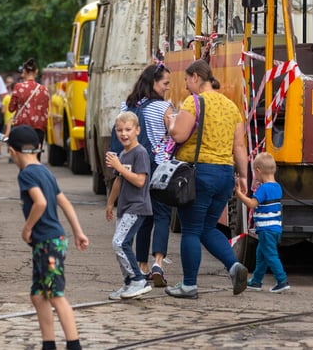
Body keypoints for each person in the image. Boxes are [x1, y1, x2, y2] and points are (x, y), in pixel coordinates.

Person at [165, 59, 249, 299]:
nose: (185, 86)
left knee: (191, 230)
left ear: (195, 77)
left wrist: (171, 122)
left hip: (200, 174)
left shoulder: (194, 102)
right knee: (207, 228)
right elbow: (239, 146)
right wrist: (243, 176)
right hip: (225, 175)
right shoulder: (231, 106)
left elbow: (179, 134)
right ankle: (234, 266)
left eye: (186, 81)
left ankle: (189, 285)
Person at [10, 125, 88, 350]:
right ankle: (48, 343)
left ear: (13, 152)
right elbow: (65, 203)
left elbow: (40, 203)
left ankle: (74, 344)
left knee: (55, 294)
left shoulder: (26, 174)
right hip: (52, 241)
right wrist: (78, 232)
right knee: (38, 294)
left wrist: (27, 228)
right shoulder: (45, 171)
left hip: (47, 242)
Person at [120, 63, 174, 286]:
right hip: (160, 169)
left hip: (137, 167)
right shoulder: (164, 108)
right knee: (162, 216)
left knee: (144, 217)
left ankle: (142, 265)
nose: (167, 88)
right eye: (165, 83)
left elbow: (121, 133)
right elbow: (176, 135)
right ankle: (158, 263)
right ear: (153, 83)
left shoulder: (127, 105)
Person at [104, 111, 153, 300]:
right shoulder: (123, 154)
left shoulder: (140, 153)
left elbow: (140, 181)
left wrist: (119, 167)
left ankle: (139, 280)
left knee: (120, 243)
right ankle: (128, 283)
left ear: (137, 130)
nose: (123, 134)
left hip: (137, 206)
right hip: (124, 207)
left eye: (128, 129)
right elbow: (119, 181)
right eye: (119, 130)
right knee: (121, 245)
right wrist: (110, 203)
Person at [235, 152, 290, 293]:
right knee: (261, 255)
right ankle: (256, 281)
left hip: (266, 229)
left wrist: (239, 194)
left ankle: (282, 280)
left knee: (270, 255)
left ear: (258, 171)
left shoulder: (263, 189)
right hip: (275, 228)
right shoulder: (277, 187)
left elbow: (252, 204)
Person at [8, 58, 49, 150]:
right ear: (36, 71)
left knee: (22, 154)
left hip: (22, 127)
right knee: (36, 154)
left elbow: (11, 108)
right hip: (38, 128)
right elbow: (45, 111)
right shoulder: (44, 89)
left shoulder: (18, 87)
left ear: (24, 71)